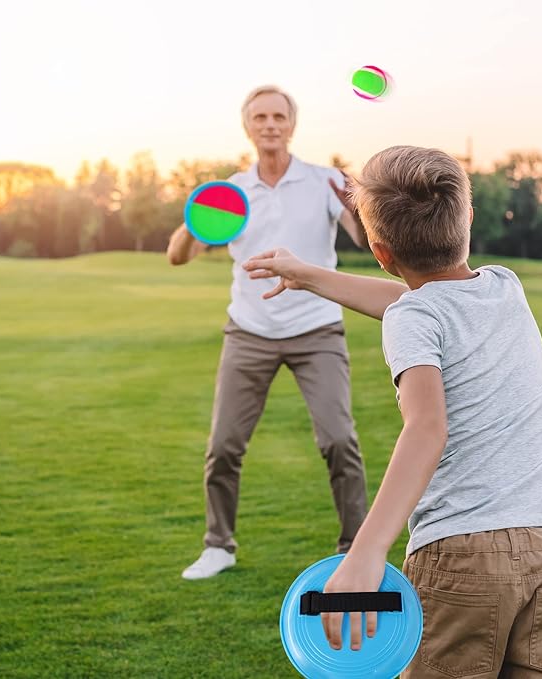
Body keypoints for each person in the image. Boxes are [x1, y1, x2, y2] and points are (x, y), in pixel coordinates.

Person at [243, 145, 542, 678]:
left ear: (380, 252)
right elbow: (411, 302)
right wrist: (309, 275)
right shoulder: (505, 288)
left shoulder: (414, 317)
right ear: (467, 218)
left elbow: (427, 427)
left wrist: (366, 550)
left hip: (462, 556)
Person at [167, 85, 368, 580]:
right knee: (224, 446)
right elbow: (178, 254)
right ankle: (219, 545)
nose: (270, 124)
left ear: (292, 124)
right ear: (248, 126)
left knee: (339, 440)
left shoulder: (324, 182)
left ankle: (355, 550)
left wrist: (359, 203)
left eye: (279, 116)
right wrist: (196, 218)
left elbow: (367, 239)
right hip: (249, 332)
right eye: (261, 117)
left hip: (317, 328)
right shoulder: (231, 192)